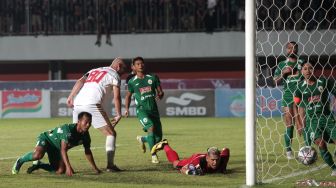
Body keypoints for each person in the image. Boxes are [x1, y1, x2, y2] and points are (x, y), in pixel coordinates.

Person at [67, 57, 126, 172]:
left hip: (78, 103)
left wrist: (71, 96)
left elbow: (80, 81)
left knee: (74, 137)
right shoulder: (115, 75)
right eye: (124, 68)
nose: (124, 71)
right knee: (111, 133)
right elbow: (117, 97)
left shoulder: (94, 70)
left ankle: (56, 156)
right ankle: (110, 165)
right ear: (118, 66)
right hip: (92, 104)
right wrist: (118, 114)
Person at [12, 112, 101, 176]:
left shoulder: (86, 136)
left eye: (90, 122)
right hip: (47, 139)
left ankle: (39, 165)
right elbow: (63, 150)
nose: (88, 125)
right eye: (86, 122)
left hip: (57, 148)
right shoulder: (68, 130)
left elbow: (87, 151)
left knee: (60, 171)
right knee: (37, 155)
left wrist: (95, 168)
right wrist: (69, 167)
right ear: (79, 122)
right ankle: (20, 160)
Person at [294, 61, 336, 176]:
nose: (308, 71)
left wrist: (333, 105)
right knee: (320, 143)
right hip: (312, 120)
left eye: (310, 68)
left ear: (314, 70)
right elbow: (300, 107)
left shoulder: (323, 81)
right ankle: (334, 168)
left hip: (327, 117)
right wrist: (300, 124)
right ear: (301, 71)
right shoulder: (299, 87)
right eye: (305, 69)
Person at [124, 56, 164, 164]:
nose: (140, 65)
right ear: (133, 67)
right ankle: (153, 155)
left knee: (158, 138)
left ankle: (143, 139)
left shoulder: (153, 77)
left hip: (154, 110)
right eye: (137, 64)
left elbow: (160, 92)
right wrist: (126, 109)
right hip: (142, 110)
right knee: (151, 127)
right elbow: (128, 96)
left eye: (142, 63)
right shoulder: (132, 82)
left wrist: (160, 95)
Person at [273, 41, 304, 159]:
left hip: (302, 96)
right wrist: (283, 73)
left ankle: (307, 148)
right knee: (289, 123)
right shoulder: (282, 64)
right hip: (288, 96)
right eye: (290, 48)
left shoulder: (302, 62)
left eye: (295, 48)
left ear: (297, 50)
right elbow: (274, 81)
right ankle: (289, 152)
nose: (292, 50)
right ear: (286, 50)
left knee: (303, 123)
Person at [151, 139, 230, 175]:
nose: (215, 162)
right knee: (176, 164)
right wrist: (191, 172)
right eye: (212, 160)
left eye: (217, 159)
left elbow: (226, 150)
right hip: (195, 157)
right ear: (207, 158)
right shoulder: (198, 162)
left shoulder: (223, 158)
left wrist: (219, 152)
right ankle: (165, 145)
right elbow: (182, 170)